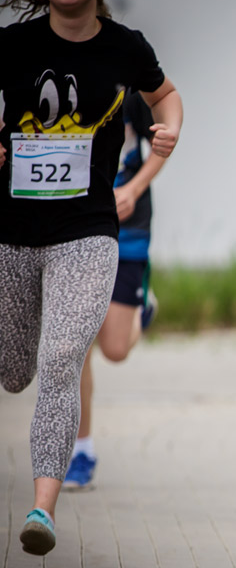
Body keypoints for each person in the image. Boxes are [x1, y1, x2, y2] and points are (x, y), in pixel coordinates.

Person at [0, 0, 183, 555]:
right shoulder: (12, 46)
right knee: (15, 368)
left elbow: (169, 99)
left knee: (60, 363)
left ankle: (43, 509)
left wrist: (167, 137)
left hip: (91, 229)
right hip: (14, 231)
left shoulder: (126, 48)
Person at [66, 94, 163, 490]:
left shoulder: (129, 80)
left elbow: (162, 141)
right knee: (77, 343)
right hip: (74, 226)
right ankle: (81, 451)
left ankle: (142, 307)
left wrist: (135, 189)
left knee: (115, 350)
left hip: (128, 226)